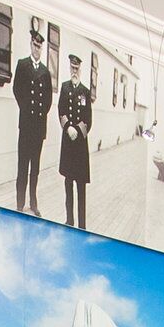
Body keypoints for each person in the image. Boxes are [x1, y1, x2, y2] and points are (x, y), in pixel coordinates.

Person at [10, 45, 54, 211]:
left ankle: (33, 204)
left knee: (34, 169)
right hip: (26, 125)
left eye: (39, 46)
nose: (37, 49)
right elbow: (16, 90)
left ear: (42, 49)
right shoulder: (22, 65)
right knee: (22, 167)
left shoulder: (45, 71)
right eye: (35, 45)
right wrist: (26, 109)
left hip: (39, 127)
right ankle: (19, 205)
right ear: (30, 45)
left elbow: (48, 99)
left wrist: (40, 114)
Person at [57, 52, 95, 228]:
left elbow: (88, 120)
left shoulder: (86, 92)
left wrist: (77, 131)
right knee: (68, 183)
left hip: (79, 146)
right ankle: (69, 220)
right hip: (67, 144)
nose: (74, 71)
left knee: (80, 185)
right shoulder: (64, 88)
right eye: (72, 67)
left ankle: (82, 225)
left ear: (81, 69)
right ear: (69, 68)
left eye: (77, 68)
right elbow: (61, 112)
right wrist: (67, 128)